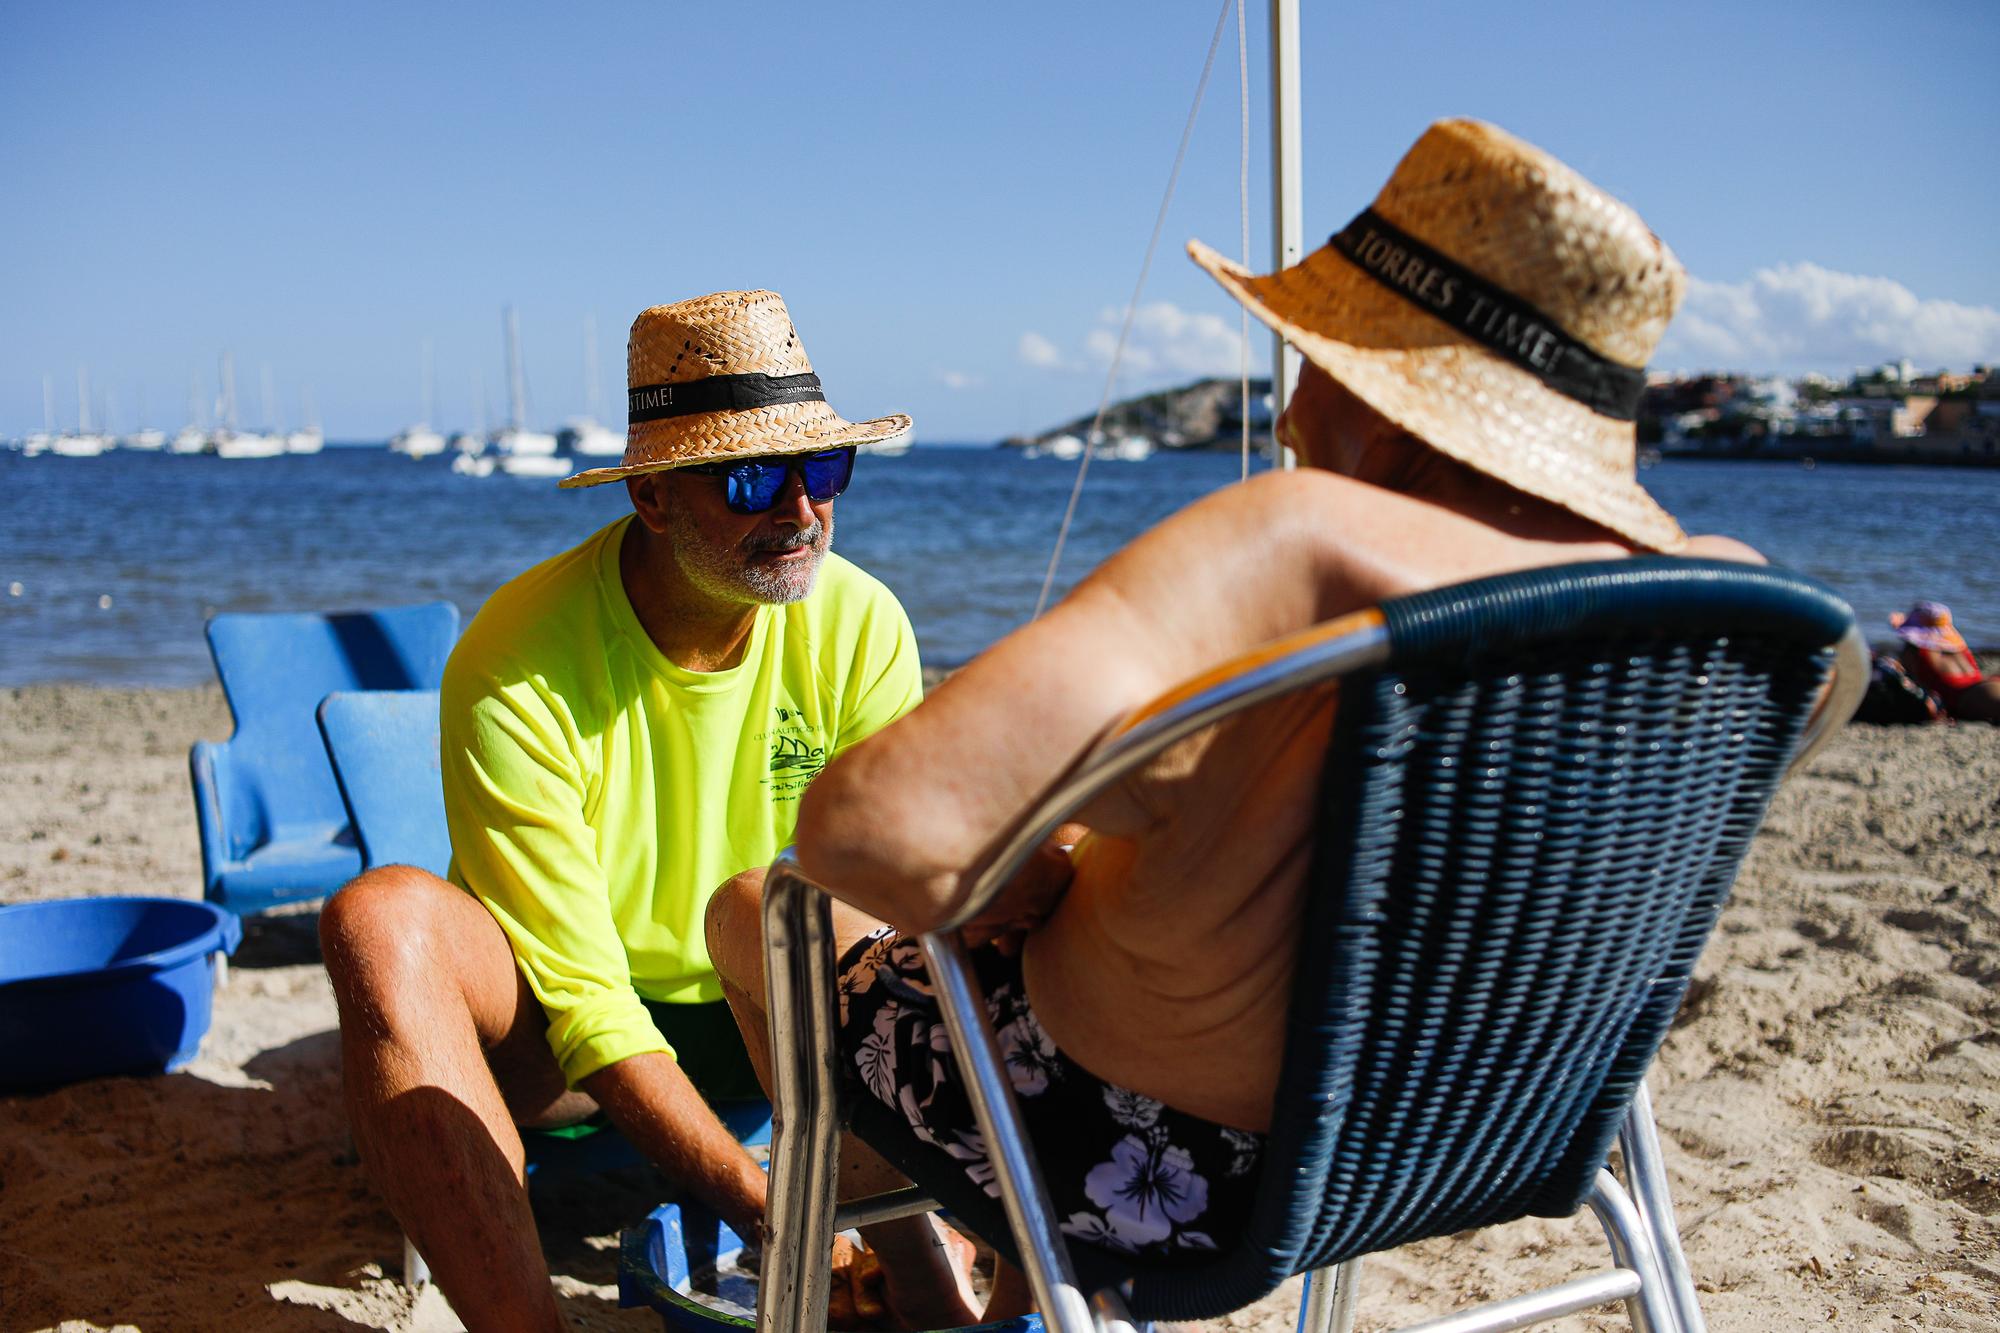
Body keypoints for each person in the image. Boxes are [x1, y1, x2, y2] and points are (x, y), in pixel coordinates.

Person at [704, 118, 1767, 1320]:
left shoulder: (1301, 542)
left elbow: (869, 826)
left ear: (1383, 393)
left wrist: (1032, 881)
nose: (1294, 392)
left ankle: (920, 1297)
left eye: (1312, 347)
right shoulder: (1725, 606)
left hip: (1156, 1170)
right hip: (1483, 1136)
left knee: (758, 905)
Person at [318, 290, 932, 1332]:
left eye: (823, 470)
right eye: (748, 478)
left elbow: (900, 912)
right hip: (556, 1040)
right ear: (651, 498)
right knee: (379, 921)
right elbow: (588, 1002)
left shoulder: (860, 624)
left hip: (761, 1013)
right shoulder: (519, 658)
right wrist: (762, 1207)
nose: (799, 511)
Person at [1891, 600, 2000, 722]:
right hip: (1987, 686)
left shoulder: (1914, 651)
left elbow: (1902, 679)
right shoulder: (1958, 648)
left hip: (1972, 698)